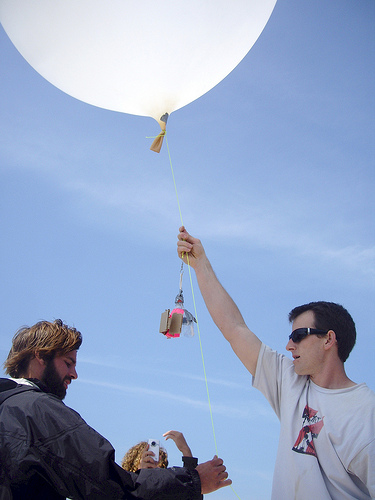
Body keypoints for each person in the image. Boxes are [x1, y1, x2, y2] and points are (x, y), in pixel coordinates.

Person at [177, 226, 375, 500]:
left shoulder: (366, 415)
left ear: (329, 340)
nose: (288, 345)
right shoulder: (290, 380)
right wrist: (201, 265)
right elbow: (235, 328)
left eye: (298, 336)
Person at [0, 319, 232, 499]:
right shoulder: (39, 410)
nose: (74, 375)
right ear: (40, 356)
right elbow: (112, 486)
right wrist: (193, 480)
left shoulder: (7, 406)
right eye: (68, 363)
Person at [122, 431, 198, 472]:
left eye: (157, 462)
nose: (153, 466)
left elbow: (192, 491)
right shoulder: (123, 487)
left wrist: (185, 450)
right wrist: (141, 473)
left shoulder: (166, 492)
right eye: (148, 461)